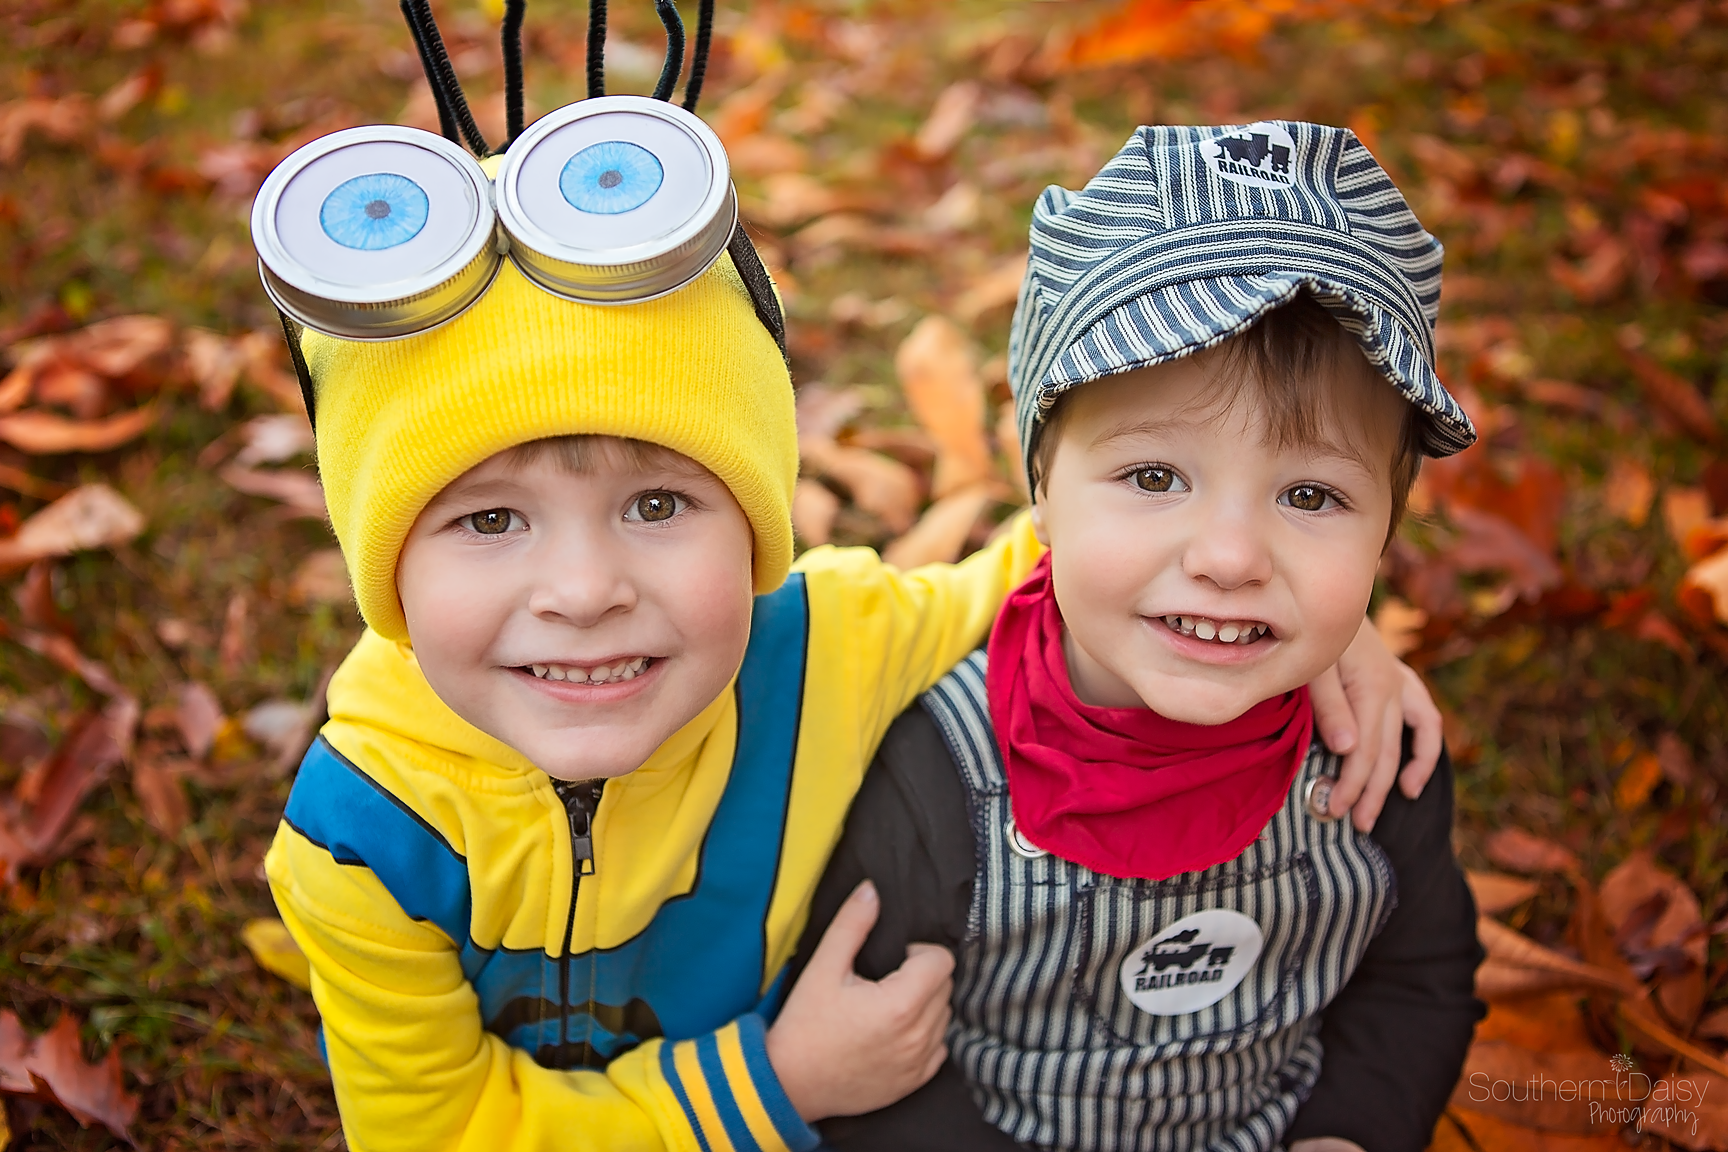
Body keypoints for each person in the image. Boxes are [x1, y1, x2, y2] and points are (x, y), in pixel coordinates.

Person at [261, 108, 1448, 1152]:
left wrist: (1316, 621)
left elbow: (1085, 558)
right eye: (486, 520)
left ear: (760, 523)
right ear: (384, 564)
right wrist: (768, 1087)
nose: (583, 589)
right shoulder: (365, 837)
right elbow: (437, 1137)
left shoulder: (827, 641)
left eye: (661, 503)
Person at [797, 121, 1486, 1152]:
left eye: (1311, 493)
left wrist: (1351, 1130)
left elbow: (1418, 977)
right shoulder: (937, 773)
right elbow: (879, 1060)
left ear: (1389, 523)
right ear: (1041, 489)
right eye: (1155, 478)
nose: (1230, 555)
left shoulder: (1376, 753)